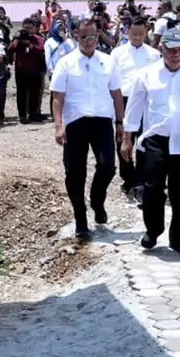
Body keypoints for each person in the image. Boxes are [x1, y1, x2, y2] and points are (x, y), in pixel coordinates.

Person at [121, 25, 180, 257]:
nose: (175, 55)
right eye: (170, 50)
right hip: (156, 141)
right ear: (161, 48)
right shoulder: (147, 74)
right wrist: (126, 138)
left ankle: (178, 239)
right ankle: (154, 229)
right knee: (151, 191)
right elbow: (134, 108)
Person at [50, 19, 126, 241]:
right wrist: (58, 126)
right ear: (76, 37)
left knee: (107, 165)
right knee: (75, 172)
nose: (88, 41)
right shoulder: (66, 63)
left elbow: (117, 93)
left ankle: (97, 199)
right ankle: (81, 219)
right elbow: (57, 97)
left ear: (98, 35)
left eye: (92, 37)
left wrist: (120, 123)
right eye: (84, 37)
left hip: (102, 120)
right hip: (75, 122)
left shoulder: (108, 61)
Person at [110, 15, 161, 201]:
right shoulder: (117, 53)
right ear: (127, 32)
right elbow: (113, 81)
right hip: (123, 99)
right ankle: (128, 177)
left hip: (146, 101)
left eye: (141, 34)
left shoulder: (153, 54)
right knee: (123, 139)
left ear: (146, 32)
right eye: (134, 33)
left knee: (144, 140)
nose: (137, 37)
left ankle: (141, 179)